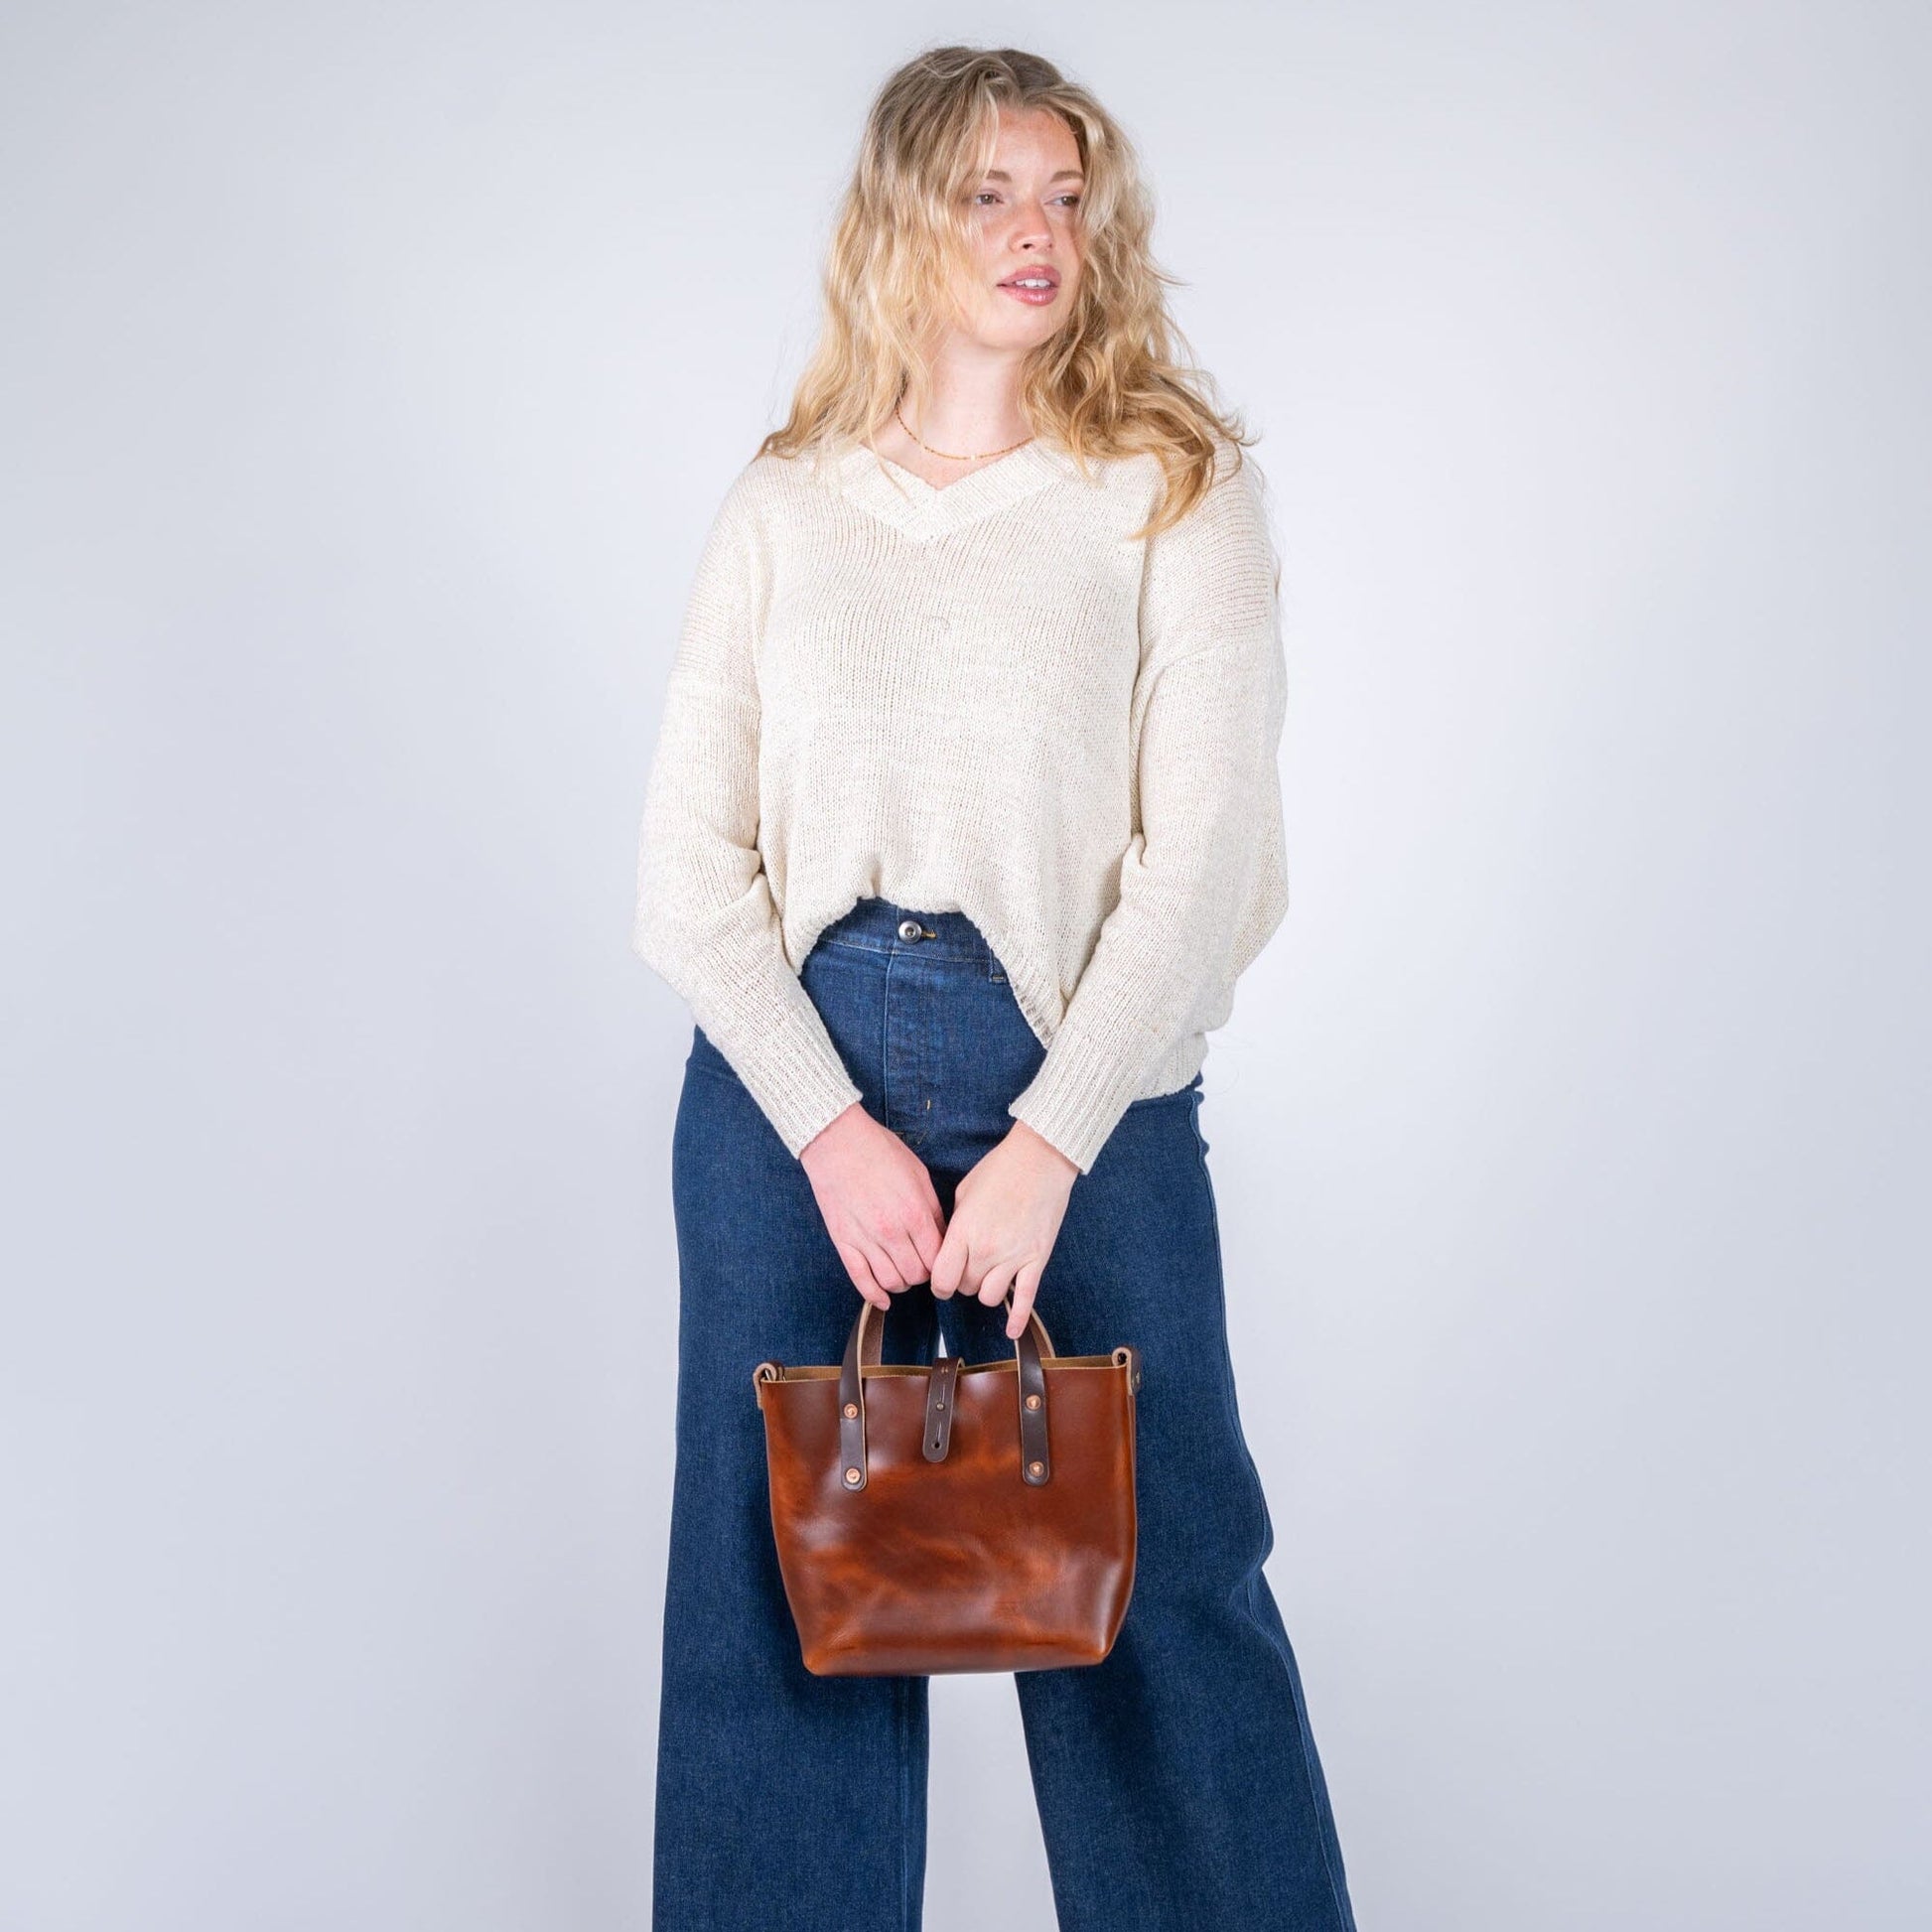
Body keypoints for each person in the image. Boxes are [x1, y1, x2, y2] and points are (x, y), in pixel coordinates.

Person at [630, 44, 1358, 1932]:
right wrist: (827, 1128)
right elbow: (685, 871)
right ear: (903, 218)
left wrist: (1048, 1141)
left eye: (1065, 197)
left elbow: (1203, 859)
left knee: (1160, 1587)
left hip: (1082, 1076)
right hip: (794, 1094)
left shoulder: (1170, 488)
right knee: (779, 1599)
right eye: (988, 194)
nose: (1039, 232)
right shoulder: (785, 504)